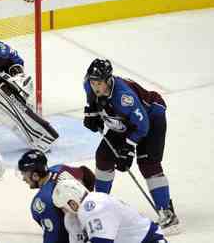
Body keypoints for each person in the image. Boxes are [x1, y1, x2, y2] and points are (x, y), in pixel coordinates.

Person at [82, 58, 179, 234]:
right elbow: (92, 100)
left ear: (108, 80)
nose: (95, 86)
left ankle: (167, 213)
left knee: (147, 163)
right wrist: (92, 113)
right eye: (93, 81)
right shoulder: (89, 85)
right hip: (125, 121)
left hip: (151, 118)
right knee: (104, 156)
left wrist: (128, 148)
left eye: (99, 82)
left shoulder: (124, 97)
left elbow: (143, 126)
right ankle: (101, 206)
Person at [52, 173, 168, 243]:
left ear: (72, 204)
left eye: (64, 208)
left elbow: (101, 242)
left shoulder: (91, 209)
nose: (65, 212)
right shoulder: (93, 202)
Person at [17, 149, 95, 243]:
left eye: (24, 174)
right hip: (96, 224)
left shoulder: (42, 201)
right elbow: (86, 173)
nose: (23, 178)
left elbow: (55, 237)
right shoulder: (60, 168)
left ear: (35, 176)